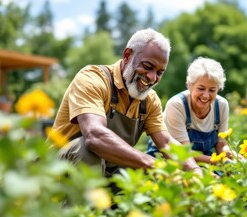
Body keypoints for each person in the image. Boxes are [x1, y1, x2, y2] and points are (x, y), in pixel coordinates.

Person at [52, 28, 202, 178]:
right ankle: (79, 202)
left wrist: (196, 173)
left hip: (105, 173)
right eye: (147, 66)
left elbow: (167, 142)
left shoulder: (149, 101)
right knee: (86, 149)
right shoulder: (93, 79)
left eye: (159, 73)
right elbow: (95, 136)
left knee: (148, 177)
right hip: (55, 172)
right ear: (127, 56)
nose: (152, 77)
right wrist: (153, 165)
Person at [147, 57, 232, 164]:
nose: (206, 95)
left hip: (205, 158)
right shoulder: (177, 105)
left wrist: (233, 157)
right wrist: (221, 161)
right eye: (201, 88)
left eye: (212, 90)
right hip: (168, 157)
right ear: (189, 85)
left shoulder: (221, 106)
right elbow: (184, 153)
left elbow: (221, 144)